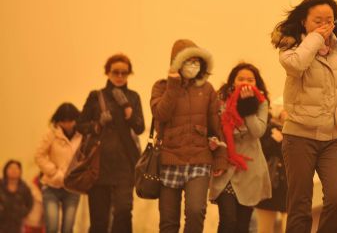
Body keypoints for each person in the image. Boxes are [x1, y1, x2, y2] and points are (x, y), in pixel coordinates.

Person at [271, 0, 337, 233]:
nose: (324, 26)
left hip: (334, 137)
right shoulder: (289, 48)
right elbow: (298, 65)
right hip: (299, 136)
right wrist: (316, 38)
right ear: (304, 22)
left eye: (328, 21)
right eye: (317, 21)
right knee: (300, 204)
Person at [150, 39, 227, 233]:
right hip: (169, 160)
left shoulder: (208, 89)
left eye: (196, 60)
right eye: (188, 60)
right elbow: (161, 114)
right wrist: (173, 85)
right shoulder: (161, 87)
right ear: (176, 62)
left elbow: (215, 127)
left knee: (196, 211)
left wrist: (220, 158)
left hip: (199, 160)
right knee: (168, 221)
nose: (193, 65)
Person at [77, 53, 145, 233]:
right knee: (99, 219)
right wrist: (97, 124)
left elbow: (140, 128)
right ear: (107, 73)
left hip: (126, 165)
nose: (120, 76)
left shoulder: (133, 97)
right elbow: (80, 125)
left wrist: (129, 113)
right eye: (116, 72)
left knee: (123, 213)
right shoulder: (95, 96)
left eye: (125, 72)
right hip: (99, 165)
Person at [209, 62, 272, 233]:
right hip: (226, 166)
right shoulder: (220, 101)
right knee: (228, 221)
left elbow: (258, 131)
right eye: (241, 79)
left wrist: (247, 109)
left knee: (242, 226)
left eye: (250, 80)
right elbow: (215, 129)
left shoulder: (262, 103)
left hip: (249, 170)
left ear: (256, 84)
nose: (246, 83)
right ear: (233, 82)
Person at [35, 103, 82, 233]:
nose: (67, 124)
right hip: (51, 186)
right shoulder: (51, 134)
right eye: (63, 121)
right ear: (58, 120)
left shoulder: (82, 136)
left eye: (70, 120)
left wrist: (76, 175)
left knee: (68, 228)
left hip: (72, 187)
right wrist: (54, 172)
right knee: (52, 227)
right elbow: (39, 155)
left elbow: (85, 158)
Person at [255, 107, 288, 233]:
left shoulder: (295, 132)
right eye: (286, 110)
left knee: (293, 225)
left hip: (288, 185)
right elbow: (260, 152)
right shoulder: (267, 129)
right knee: (265, 228)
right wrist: (274, 139)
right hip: (269, 185)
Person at [0, 160, 33, 233]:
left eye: (16, 168)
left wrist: (23, 213)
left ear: (20, 171)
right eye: (11, 168)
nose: (13, 170)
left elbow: (30, 203)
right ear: (5, 170)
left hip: (17, 222)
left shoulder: (25, 188)